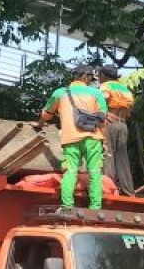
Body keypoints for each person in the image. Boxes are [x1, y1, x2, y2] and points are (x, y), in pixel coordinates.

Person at [34, 66, 108, 209]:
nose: (91, 82)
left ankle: (67, 206)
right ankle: (95, 207)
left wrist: (39, 124)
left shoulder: (60, 93)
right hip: (93, 139)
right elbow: (102, 119)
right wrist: (104, 141)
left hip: (71, 140)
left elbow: (46, 114)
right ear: (85, 77)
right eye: (90, 79)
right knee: (94, 173)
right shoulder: (96, 93)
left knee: (70, 172)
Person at [96, 65, 137, 196]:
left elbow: (99, 102)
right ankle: (128, 190)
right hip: (123, 125)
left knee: (107, 155)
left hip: (109, 124)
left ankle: (109, 188)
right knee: (122, 157)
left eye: (99, 75)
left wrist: (105, 114)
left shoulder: (105, 87)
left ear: (104, 75)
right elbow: (129, 111)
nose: (98, 78)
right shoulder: (125, 89)